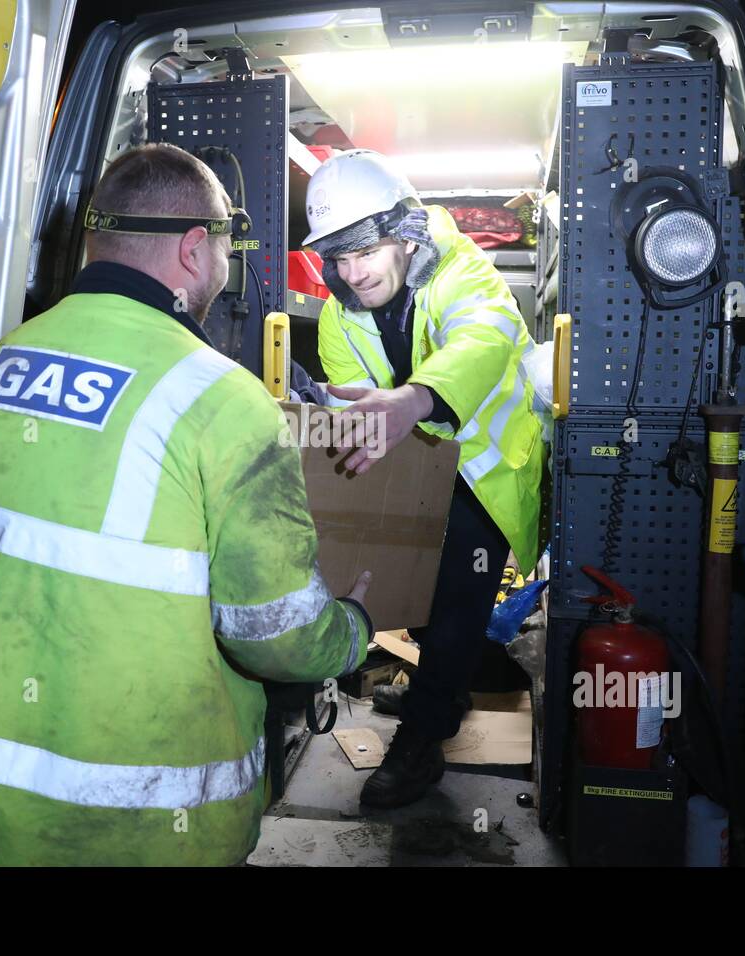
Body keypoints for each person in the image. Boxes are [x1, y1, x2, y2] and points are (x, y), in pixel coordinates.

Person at [0, 143, 373, 865]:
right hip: (127, 834)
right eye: (224, 245)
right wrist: (352, 629)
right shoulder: (224, 402)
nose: (225, 265)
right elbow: (274, 634)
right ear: (194, 249)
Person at [306, 149, 543, 808]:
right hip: (421, 463)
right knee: (411, 588)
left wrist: (413, 400)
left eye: (366, 252)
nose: (353, 274)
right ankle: (443, 687)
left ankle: (422, 743)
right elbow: (349, 404)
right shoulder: (338, 313)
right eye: (339, 258)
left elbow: (484, 338)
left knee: (457, 598)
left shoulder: (464, 272)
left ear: (405, 234)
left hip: (490, 469)